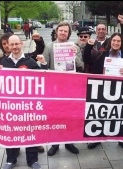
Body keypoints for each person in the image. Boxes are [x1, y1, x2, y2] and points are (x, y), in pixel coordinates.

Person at [0, 35, 48, 169]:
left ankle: (33, 160)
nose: (14, 47)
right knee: (10, 133)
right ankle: (10, 160)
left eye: (16, 44)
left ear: (22, 44)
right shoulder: (3, 62)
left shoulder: (30, 62)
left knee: (30, 133)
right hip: (10, 107)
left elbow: (45, 77)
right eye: (11, 44)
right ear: (8, 46)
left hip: (27, 107)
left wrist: (43, 64)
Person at [84, 15, 123, 151]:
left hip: (121, 89)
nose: (116, 43)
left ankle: (121, 139)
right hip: (104, 88)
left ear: (121, 43)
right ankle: (97, 138)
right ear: (110, 42)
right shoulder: (103, 55)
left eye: (118, 41)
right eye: (114, 41)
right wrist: (88, 47)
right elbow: (88, 60)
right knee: (101, 114)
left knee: (120, 114)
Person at [41, 21, 83, 156]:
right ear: (57, 32)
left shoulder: (74, 46)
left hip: (70, 87)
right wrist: (41, 61)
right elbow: (44, 66)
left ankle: (69, 142)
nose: (63, 33)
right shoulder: (49, 47)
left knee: (70, 116)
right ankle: (55, 143)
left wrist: (75, 54)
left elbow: (81, 66)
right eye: (61, 31)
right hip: (55, 87)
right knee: (55, 116)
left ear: (69, 34)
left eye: (66, 31)